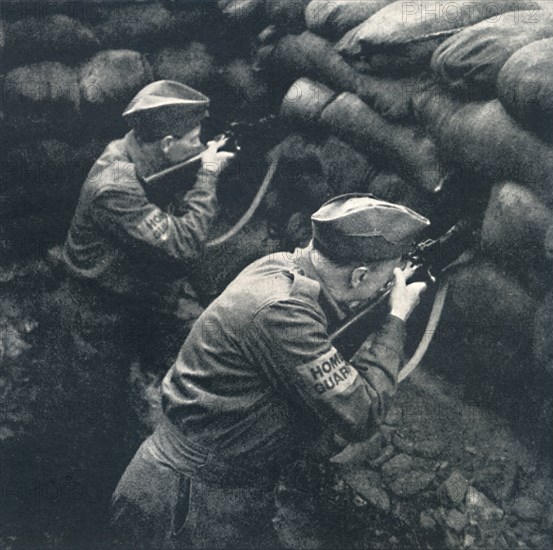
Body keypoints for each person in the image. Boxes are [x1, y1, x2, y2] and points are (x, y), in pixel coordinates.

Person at [110, 193, 430, 549]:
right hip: (184, 501)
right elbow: (362, 413)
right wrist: (396, 318)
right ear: (359, 275)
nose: (390, 284)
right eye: (388, 276)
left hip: (220, 488)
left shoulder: (281, 267)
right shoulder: (282, 312)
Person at [47, 80, 235, 536]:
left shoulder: (140, 155)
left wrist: (195, 163)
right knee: (88, 425)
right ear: (167, 144)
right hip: (94, 316)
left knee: (120, 409)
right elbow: (183, 246)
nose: (199, 147)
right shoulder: (114, 185)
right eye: (192, 141)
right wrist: (207, 175)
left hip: (130, 303)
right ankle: (77, 522)